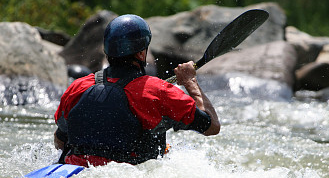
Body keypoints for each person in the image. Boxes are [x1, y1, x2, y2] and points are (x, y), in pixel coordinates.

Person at [53, 14, 220, 167]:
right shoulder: (158, 91)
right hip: (127, 176)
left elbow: (60, 141)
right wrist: (190, 82)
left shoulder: (77, 87)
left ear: (107, 50)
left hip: (75, 171)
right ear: (141, 54)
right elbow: (211, 126)